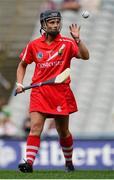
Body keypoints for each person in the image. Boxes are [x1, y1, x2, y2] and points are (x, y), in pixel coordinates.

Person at [16, 9, 89, 173]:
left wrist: (77, 39)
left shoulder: (68, 43)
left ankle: (69, 163)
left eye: (57, 22)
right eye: (51, 22)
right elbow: (22, 64)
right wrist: (19, 84)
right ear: (44, 25)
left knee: (63, 132)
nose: (56, 25)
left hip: (60, 92)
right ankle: (28, 163)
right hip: (39, 92)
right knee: (35, 127)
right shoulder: (34, 45)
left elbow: (85, 56)